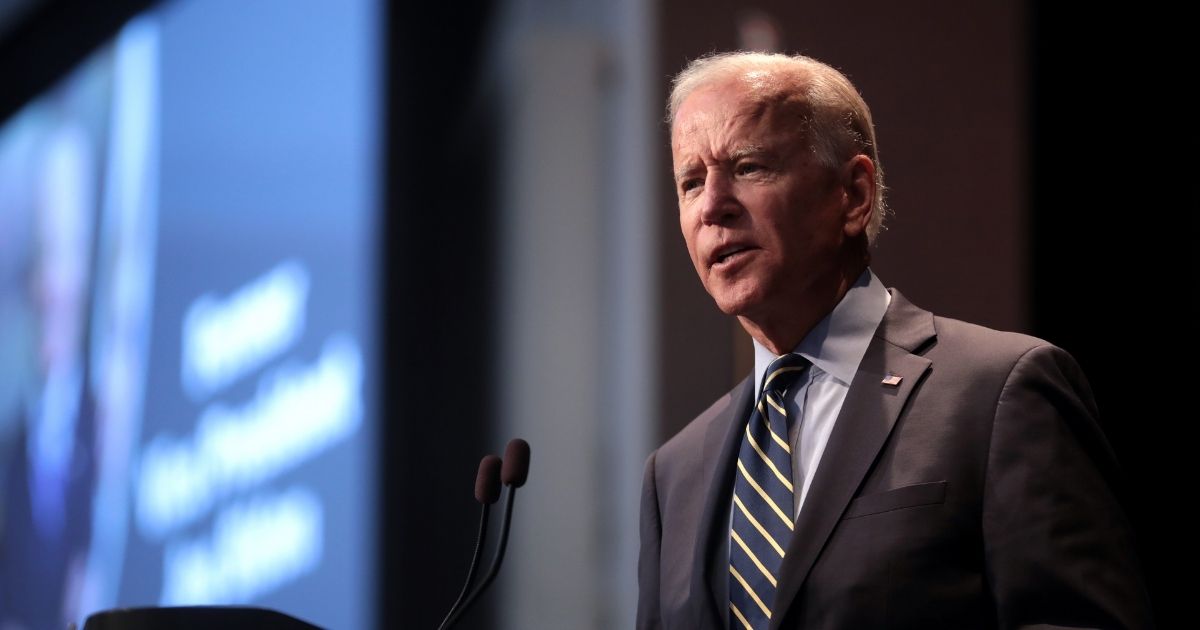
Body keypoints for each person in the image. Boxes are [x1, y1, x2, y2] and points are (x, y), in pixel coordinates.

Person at [637, 52, 1153, 630]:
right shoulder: (674, 475)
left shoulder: (999, 394)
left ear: (853, 195)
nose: (712, 206)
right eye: (690, 181)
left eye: (750, 167)